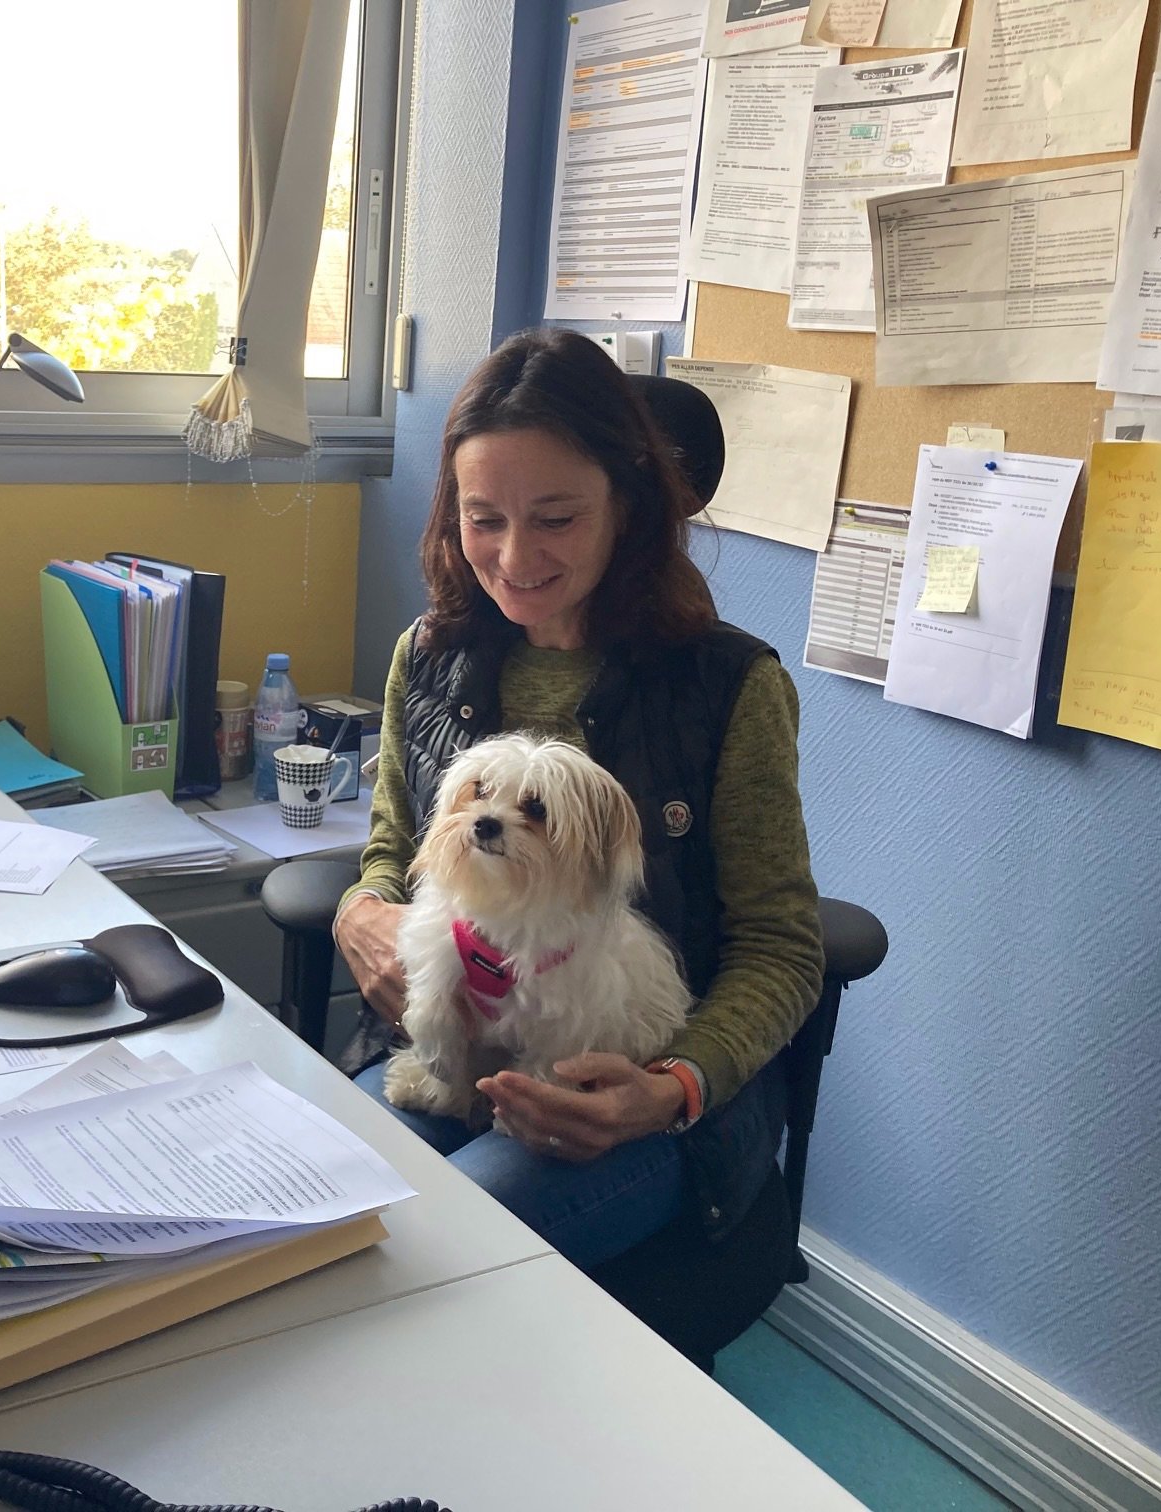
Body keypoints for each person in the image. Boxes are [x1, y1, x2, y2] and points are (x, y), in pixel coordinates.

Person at [332, 327, 823, 1272]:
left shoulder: (727, 688)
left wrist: (672, 1085)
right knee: (319, 1197)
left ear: (627, 509)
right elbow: (390, 850)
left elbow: (783, 948)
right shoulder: (429, 658)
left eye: (555, 518)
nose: (514, 557)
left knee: (436, 1251)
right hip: (454, 1054)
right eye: (484, 517)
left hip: (649, 1102)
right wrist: (363, 909)